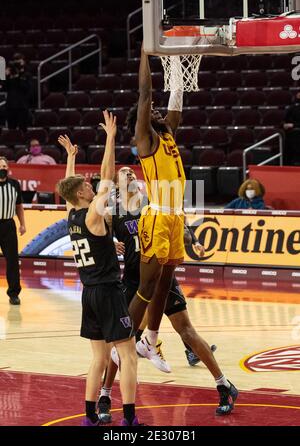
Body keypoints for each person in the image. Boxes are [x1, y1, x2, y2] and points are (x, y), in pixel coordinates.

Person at [126, 46, 238, 416]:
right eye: (152, 113)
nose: (158, 113)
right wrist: (146, 53)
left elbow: (176, 107)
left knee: (166, 279)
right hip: (157, 216)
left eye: (158, 114)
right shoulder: (146, 138)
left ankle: (152, 338)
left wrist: (174, 67)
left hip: (176, 216)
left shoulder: (168, 133)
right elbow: (146, 95)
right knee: (147, 285)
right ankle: (125, 338)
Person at [97, 167, 232, 423]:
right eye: (124, 173)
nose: (130, 174)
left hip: (163, 278)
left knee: (187, 331)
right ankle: (105, 395)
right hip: (134, 281)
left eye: (131, 172)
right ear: (115, 183)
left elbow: (178, 226)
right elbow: (96, 235)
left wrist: (191, 240)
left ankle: (223, 386)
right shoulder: (111, 212)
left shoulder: (154, 204)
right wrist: (109, 242)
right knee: (121, 342)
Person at [56, 113, 143, 427]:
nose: (91, 186)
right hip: (108, 291)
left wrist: (70, 159)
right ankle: (130, 420)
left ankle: (90, 417)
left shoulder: (71, 213)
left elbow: (69, 186)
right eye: (86, 185)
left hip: (88, 294)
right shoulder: (93, 214)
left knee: (99, 358)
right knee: (129, 355)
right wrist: (110, 137)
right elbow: (107, 177)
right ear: (80, 194)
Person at [0, 156, 26, 305]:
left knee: (12, 261)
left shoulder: (14, 184)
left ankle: (14, 293)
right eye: (0, 166)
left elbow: (19, 206)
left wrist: (22, 224)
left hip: (8, 226)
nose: (2, 169)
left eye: (4, 166)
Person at [0, 53, 33, 131]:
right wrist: (6, 76)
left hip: (22, 106)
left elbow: (27, 89)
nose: (17, 64)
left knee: (23, 129)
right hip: (10, 106)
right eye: (16, 62)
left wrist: (18, 76)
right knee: (11, 130)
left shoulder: (27, 74)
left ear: (23, 62)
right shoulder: (10, 74)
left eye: (19, 62)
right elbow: (3, 88)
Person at [283, 91, 300, 166]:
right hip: (290, 132)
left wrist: (293, 125)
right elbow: (284, 119)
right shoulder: (293, 107)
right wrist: (284, 125)